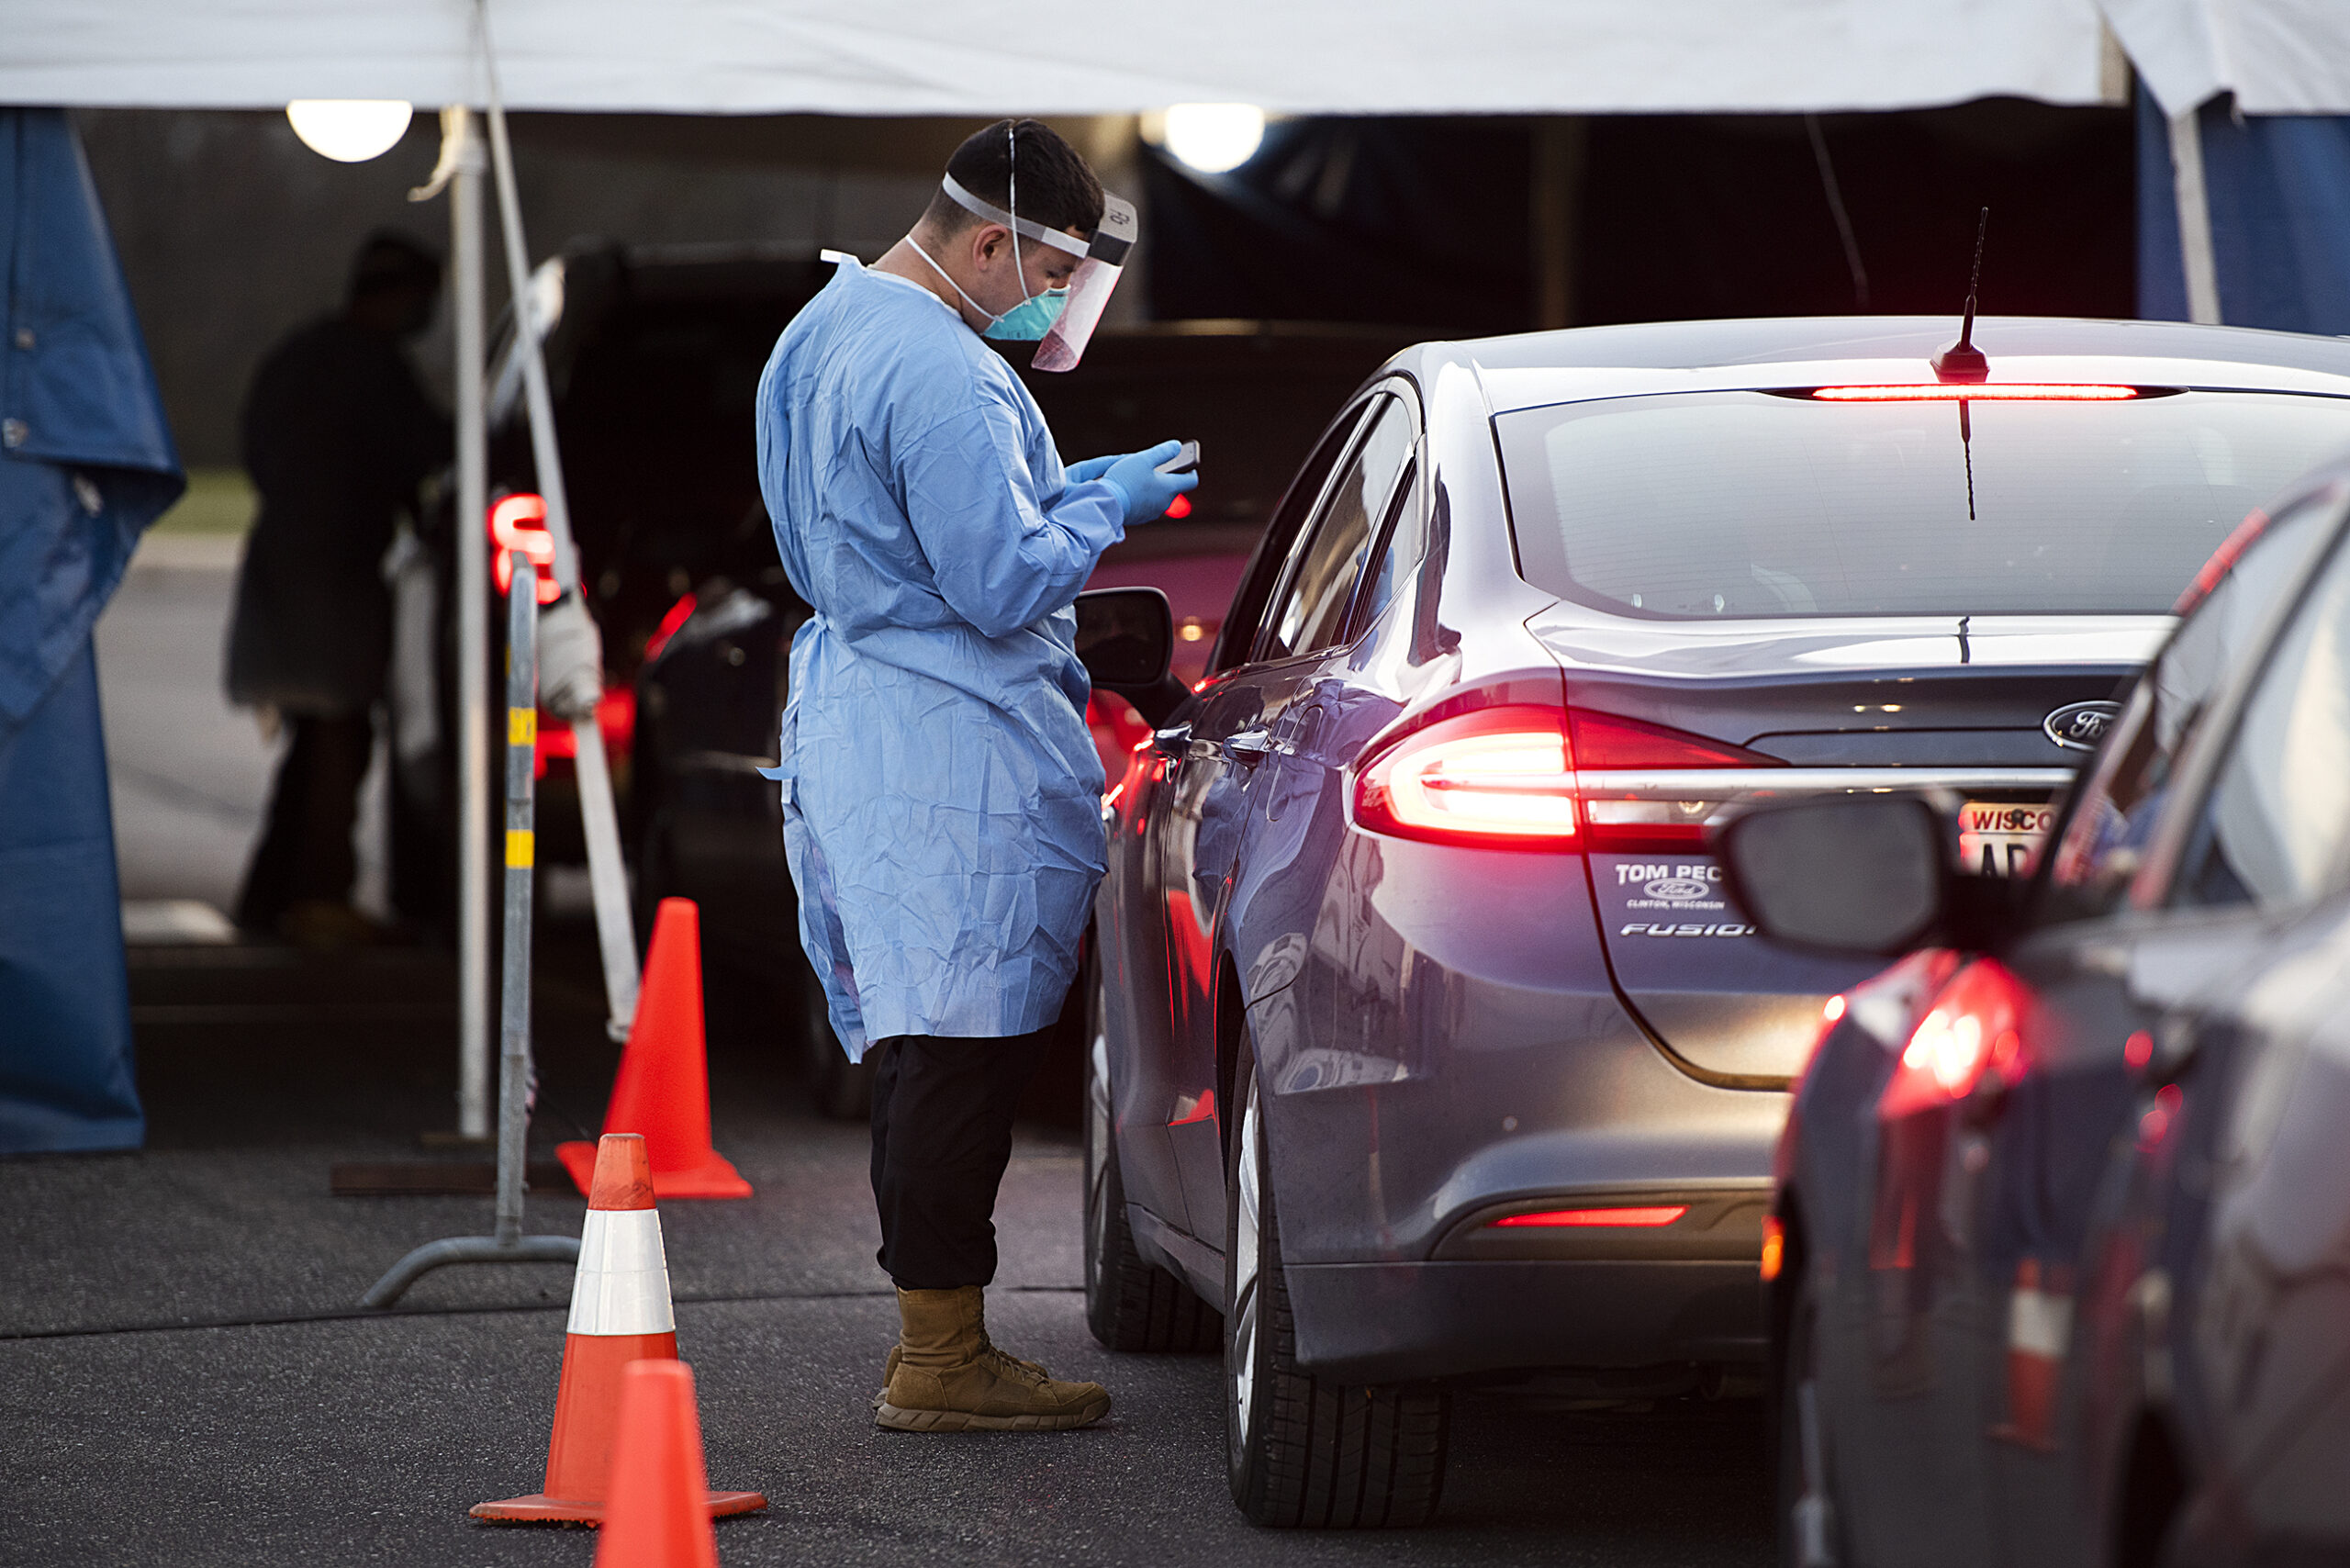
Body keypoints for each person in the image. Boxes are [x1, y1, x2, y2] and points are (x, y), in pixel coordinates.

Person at [756, 119, 1193, 1432]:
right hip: (949, 737)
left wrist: (1060, 491)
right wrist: (1100, 511)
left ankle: (938, 1341)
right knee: (958, 1044)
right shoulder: (941, 366)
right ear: (995, 243)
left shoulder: (823, 326)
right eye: (1053, 277)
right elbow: (997, 580)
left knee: (917, 1036)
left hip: (868, 716)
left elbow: (901, 532)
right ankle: (940, 1361)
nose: (1056, 306)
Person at [226, 232, 450, 945]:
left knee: (314, 738)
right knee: (337, 739)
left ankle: (267, 894)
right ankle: (319, 894)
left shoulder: (297, 358)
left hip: (281, 568)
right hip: (336, 577)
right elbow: (425, 451)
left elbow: (255, 445)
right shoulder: (372, 368)